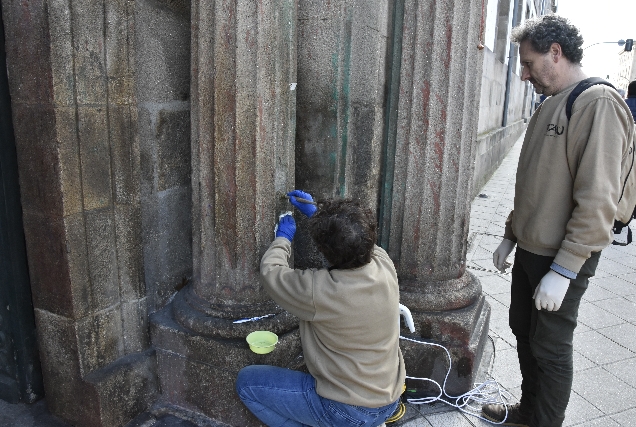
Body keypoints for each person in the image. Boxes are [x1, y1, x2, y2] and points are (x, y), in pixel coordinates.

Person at [481, 15, 634, 427]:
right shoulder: (551, 101)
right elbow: (537, 182)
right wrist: (511, 234)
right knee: (526, 335)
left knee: (550, 347)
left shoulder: (597, 104)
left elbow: (598, 199)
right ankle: (528, 411)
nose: (525, 73)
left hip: (560, 255)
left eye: (529, 63)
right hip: (533, 249)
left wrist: (565, 270)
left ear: (556, 52)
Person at [236, 190, 405, 427]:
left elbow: (271, 271)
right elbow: (361, 242)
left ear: (325, 251)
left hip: (347, 410)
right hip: (389, 400)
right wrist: (321, 218)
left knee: (247, 384)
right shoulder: (384, 263)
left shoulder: (320, 291)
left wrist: (282, 239)